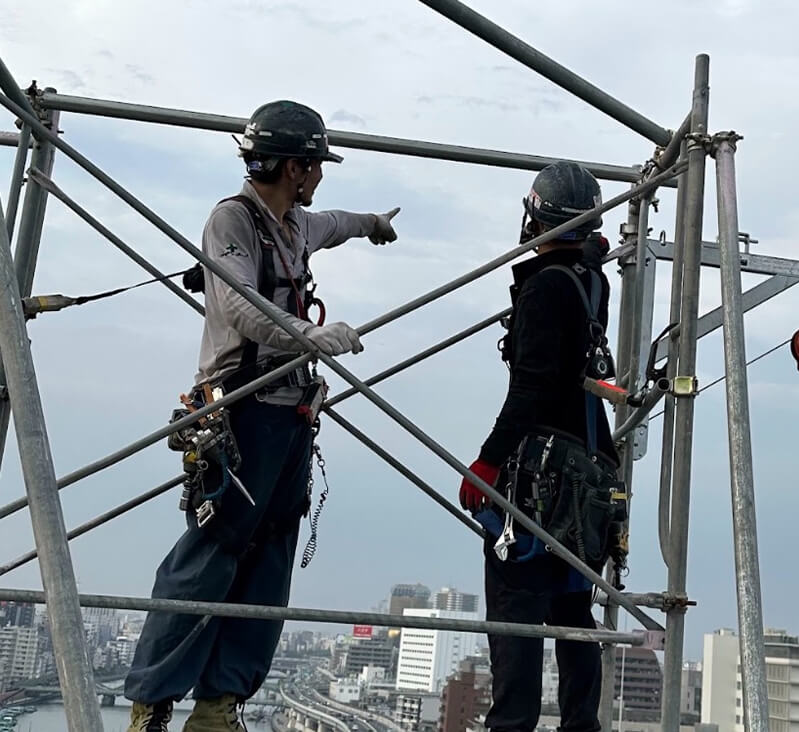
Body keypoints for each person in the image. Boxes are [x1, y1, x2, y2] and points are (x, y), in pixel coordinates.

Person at [124, 100, 402, 732]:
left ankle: (221, 703)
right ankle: (153, 698)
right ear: (296, 167)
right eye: (315, 166)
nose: (319, 178)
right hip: (241, 403)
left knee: (272, 550)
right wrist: (310, 334)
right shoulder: (233, 220)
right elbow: (242, 307)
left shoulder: (296, 223)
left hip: (290, 410)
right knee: (213, 547)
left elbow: (336, 221)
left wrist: (371, 225)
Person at [459, 161, 627, 732]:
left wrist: (487, 461)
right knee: (573, 603)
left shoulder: (544, 286)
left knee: (518, 603)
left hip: (542, 470)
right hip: (590, 456)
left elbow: (532, 387)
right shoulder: (591, 280)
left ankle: (511, 726)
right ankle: (581, 724)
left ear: (536, 219)